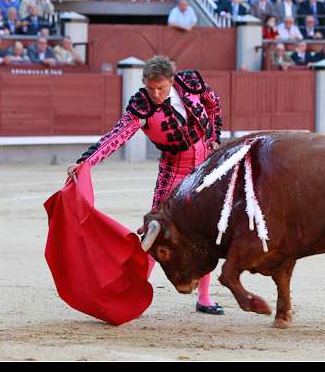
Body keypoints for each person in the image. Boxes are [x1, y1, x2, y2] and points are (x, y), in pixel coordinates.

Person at [67, 56, 225, 315]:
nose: (155, 93)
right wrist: (86, 162)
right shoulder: (142, 106)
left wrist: (215, 136)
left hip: (206, 166)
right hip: (174, 169)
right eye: (150, 88)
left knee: (207, 231)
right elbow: (116, 136)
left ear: (171, 81)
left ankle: (205, 298)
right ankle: (128, 291)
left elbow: (213, 103)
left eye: (161, 88)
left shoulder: (191, 83)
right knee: (155, 231)